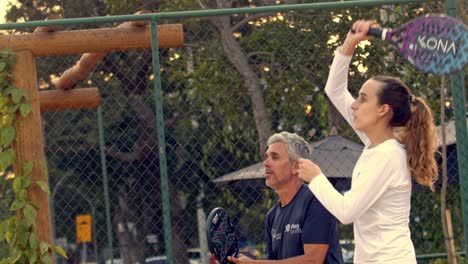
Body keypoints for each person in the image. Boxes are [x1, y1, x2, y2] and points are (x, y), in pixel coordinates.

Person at [296, 20, 438, 263]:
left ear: (383, 110)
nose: (354, 105)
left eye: (363, 99)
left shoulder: (388, 155)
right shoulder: (377, 143)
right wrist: (350, 43)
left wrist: (316, 177)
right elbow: (336, 91)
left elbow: (346, 211)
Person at [229, 131, 344, 264]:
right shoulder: (272, 216)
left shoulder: (317, 200)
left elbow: (313, 261)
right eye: (266, 157)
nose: (266, 163)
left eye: (275, 157)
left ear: (296, 166)